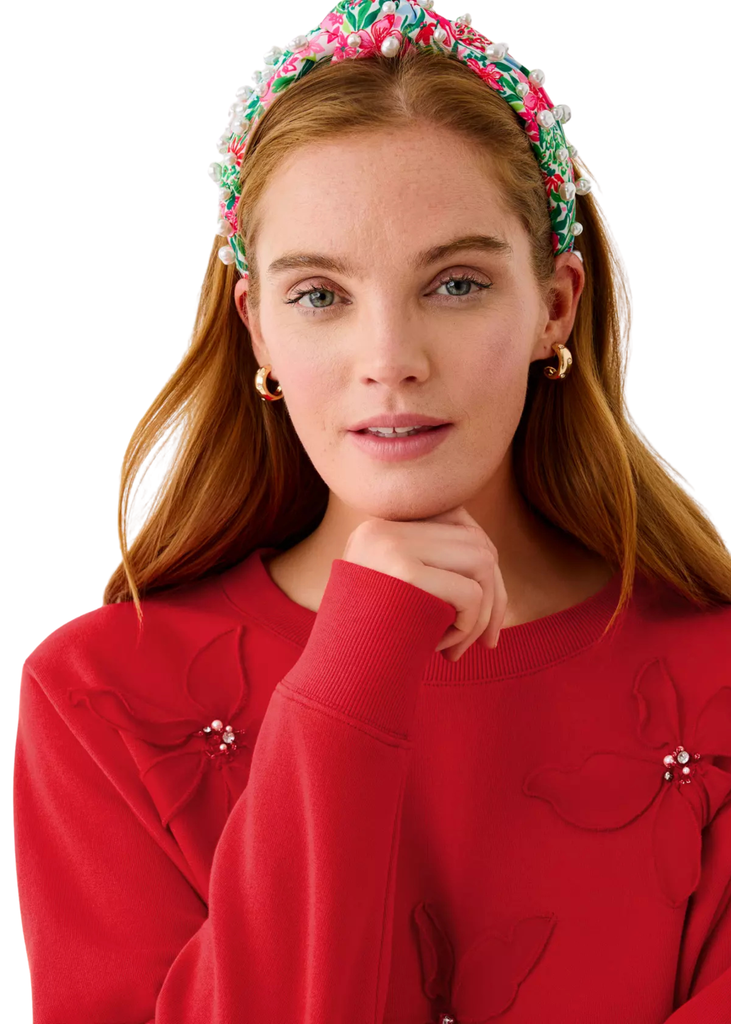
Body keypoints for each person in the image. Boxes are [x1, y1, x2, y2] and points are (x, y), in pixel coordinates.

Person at [13, 1, 731, 1021]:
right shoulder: (102, 698)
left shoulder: (714, 681)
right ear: (257, 328)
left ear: (554, 304)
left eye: (455, 283)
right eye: (319, 295)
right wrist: (354, 673)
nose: (389, 358)